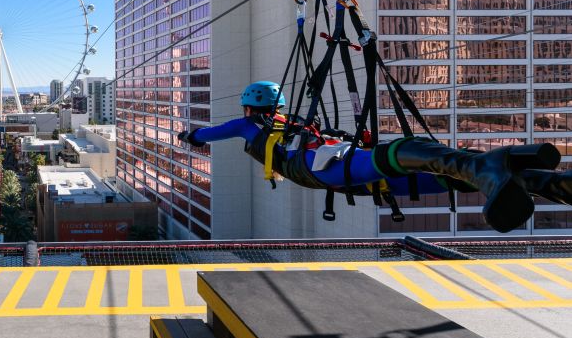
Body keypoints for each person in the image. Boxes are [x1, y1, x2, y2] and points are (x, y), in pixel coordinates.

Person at [177, 80, 570, 233]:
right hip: (330, 165)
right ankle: (512, 171)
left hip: (322, 170)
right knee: (410, 160)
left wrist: (189, 135)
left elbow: (209, 134)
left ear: (248, 107)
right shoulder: (287, 122)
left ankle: (512, 173)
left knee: (415, 166)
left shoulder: (252, 126)